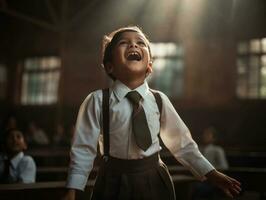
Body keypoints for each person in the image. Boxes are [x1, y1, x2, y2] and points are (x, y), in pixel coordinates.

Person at [64, 26, 241, 200]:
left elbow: (182, 144)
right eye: (124, 43)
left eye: (140, 43)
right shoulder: (97, 101)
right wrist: (72, 189)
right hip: (113, 181)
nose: (133, 45)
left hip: (155, 179)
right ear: (109, 67)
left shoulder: (159, 100)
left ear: (149, 67)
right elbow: (83, 149)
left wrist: (211, 173)